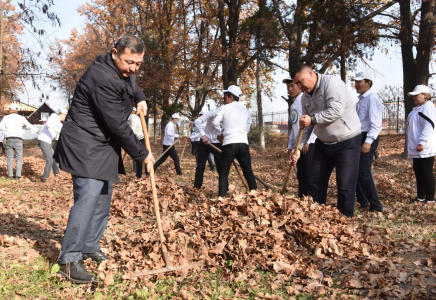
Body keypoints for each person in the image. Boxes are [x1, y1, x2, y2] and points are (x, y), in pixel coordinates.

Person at [54, 34, 154, 284]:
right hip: (85, 143)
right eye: (129, 62)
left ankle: (89, 245)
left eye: (138, 64)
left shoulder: (121, 70)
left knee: (102, 200)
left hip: (103, 145)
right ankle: (69, 258)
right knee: (87, 200)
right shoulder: (102, 78)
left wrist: (140, 97)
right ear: (114, 53)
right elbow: (118, 126)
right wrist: (142, 154)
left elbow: (131, 85)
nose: (133, 68)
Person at [290, 64, 361, 218]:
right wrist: (298, 148)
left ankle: (345, 220)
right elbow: (305, 125)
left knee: (345, 185)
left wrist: (313, 119)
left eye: (301, 82)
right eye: (297, 84)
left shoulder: (332, 83)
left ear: (310, 73)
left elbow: (336, 110)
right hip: (323, 144)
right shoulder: (305, 97)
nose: (299, 86)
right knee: (314, 182)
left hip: (347, 141)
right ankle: (316, 218)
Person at [213, 85, 257, 196]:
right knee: (247, 170)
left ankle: (222, 196)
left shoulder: (225, 108)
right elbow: (248, 125)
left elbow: (215, 122)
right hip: (243, 144)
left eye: (226, 97)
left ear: (231, 97)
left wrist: (220, 133)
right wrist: (242, 133)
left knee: (224, 172)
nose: (225, 100)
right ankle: (255, 193)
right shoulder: (245, 110)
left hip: (229, 144)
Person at [353, 72, 383, 212]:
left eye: (360, 81)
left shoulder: (372, 98)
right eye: (355, 81)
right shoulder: (361, 99)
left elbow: (376, 123)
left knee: (364, 172)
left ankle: (376, 205)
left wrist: (368, 141)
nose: (356, 84)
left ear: (368, 83)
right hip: (360, 136)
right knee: (357, 171)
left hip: (368, 136)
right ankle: (363, 202)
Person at [283, 77, 317, 198]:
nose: (290, 89)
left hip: (309, 144)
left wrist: (309, 141)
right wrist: (290, 146)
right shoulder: (293, 105)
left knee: (309, 173)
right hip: (299, 144)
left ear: (299, 85)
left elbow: (314, 121)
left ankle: (312, 199)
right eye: (288, 87)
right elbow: (294, 128)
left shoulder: (306, 100)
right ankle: (302, 197)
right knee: (301, 173)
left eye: (292, 86)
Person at [406, 85, 436, 204]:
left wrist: (422, 142)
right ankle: (421, 196)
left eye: (416, 95)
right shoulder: (418, 108)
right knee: (418, 170)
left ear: (424, 95)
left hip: (425, 147)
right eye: (413, 96)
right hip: (417, 147)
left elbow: (429, 126)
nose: (414, 98)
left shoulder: (427, 108)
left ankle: (430, 199)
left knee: (426, 171)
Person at [0, 103, 35, 179]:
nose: (9, 110)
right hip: (18, 139)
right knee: (19, 158)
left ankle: (10, 175)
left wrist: (6, 130)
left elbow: (1, 127)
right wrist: (23, 127)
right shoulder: (21, 118)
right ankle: (18, 176)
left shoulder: (6, 118)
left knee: (10, 158)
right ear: (16, 110)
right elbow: (29, 126)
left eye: (9, 109)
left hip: (9, 138)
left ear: (12, 110)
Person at [193, 109, 222, 189]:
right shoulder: (212, 113)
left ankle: (223, 189)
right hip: (206, 142)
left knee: (221, 167)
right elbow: (197, 122)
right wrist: (203, 135)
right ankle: (197, 186)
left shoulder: (229, 117)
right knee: (200, 165)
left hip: (217, 144)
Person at [38, 109, 68, 182]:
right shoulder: (53, 116)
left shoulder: (59, 123)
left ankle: (56, 174)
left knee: (53, 158)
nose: (65, 119)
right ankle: (45, 178)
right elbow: (49, 125)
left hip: (48, 141)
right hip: (43, 140)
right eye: (65, 116)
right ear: (63, 114)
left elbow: (61, 132)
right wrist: (57, 130)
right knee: (49, 160)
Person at [127, 107, 146, 179]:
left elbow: (132, 130)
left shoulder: (133, 117)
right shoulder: (132, 117)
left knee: (140, 157)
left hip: (138, 139)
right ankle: (139, 174)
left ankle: (140, 174)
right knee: (138, 157)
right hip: (137, 138)